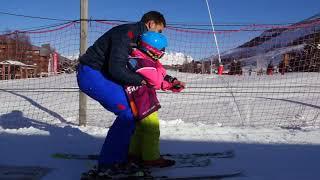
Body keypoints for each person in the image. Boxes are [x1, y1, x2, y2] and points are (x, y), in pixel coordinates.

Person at [76, 11, 185, 177]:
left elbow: (151, 65)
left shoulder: (137, 39)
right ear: (150, 24)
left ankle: (128, 153)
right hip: (92, 74)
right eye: (159, 31)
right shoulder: (127, 34)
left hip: (101, 74)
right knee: (128, 113)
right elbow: (116, 69)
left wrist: (168, 81)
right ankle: (110, 164)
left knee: (134, 112)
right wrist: (142, 81)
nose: (159, 36)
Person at [125, 31, 185, 168]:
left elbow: (156, 80)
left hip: (140, 99)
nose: (162, 53)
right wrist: (164, 74)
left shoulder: (138, 59)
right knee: (152, 129)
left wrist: (171, 84)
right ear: (152, 50)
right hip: (143, 101)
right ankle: (151, 158)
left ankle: (135, 154)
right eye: (161, 50)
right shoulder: (142, 62)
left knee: (141, 129)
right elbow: (156, 80)